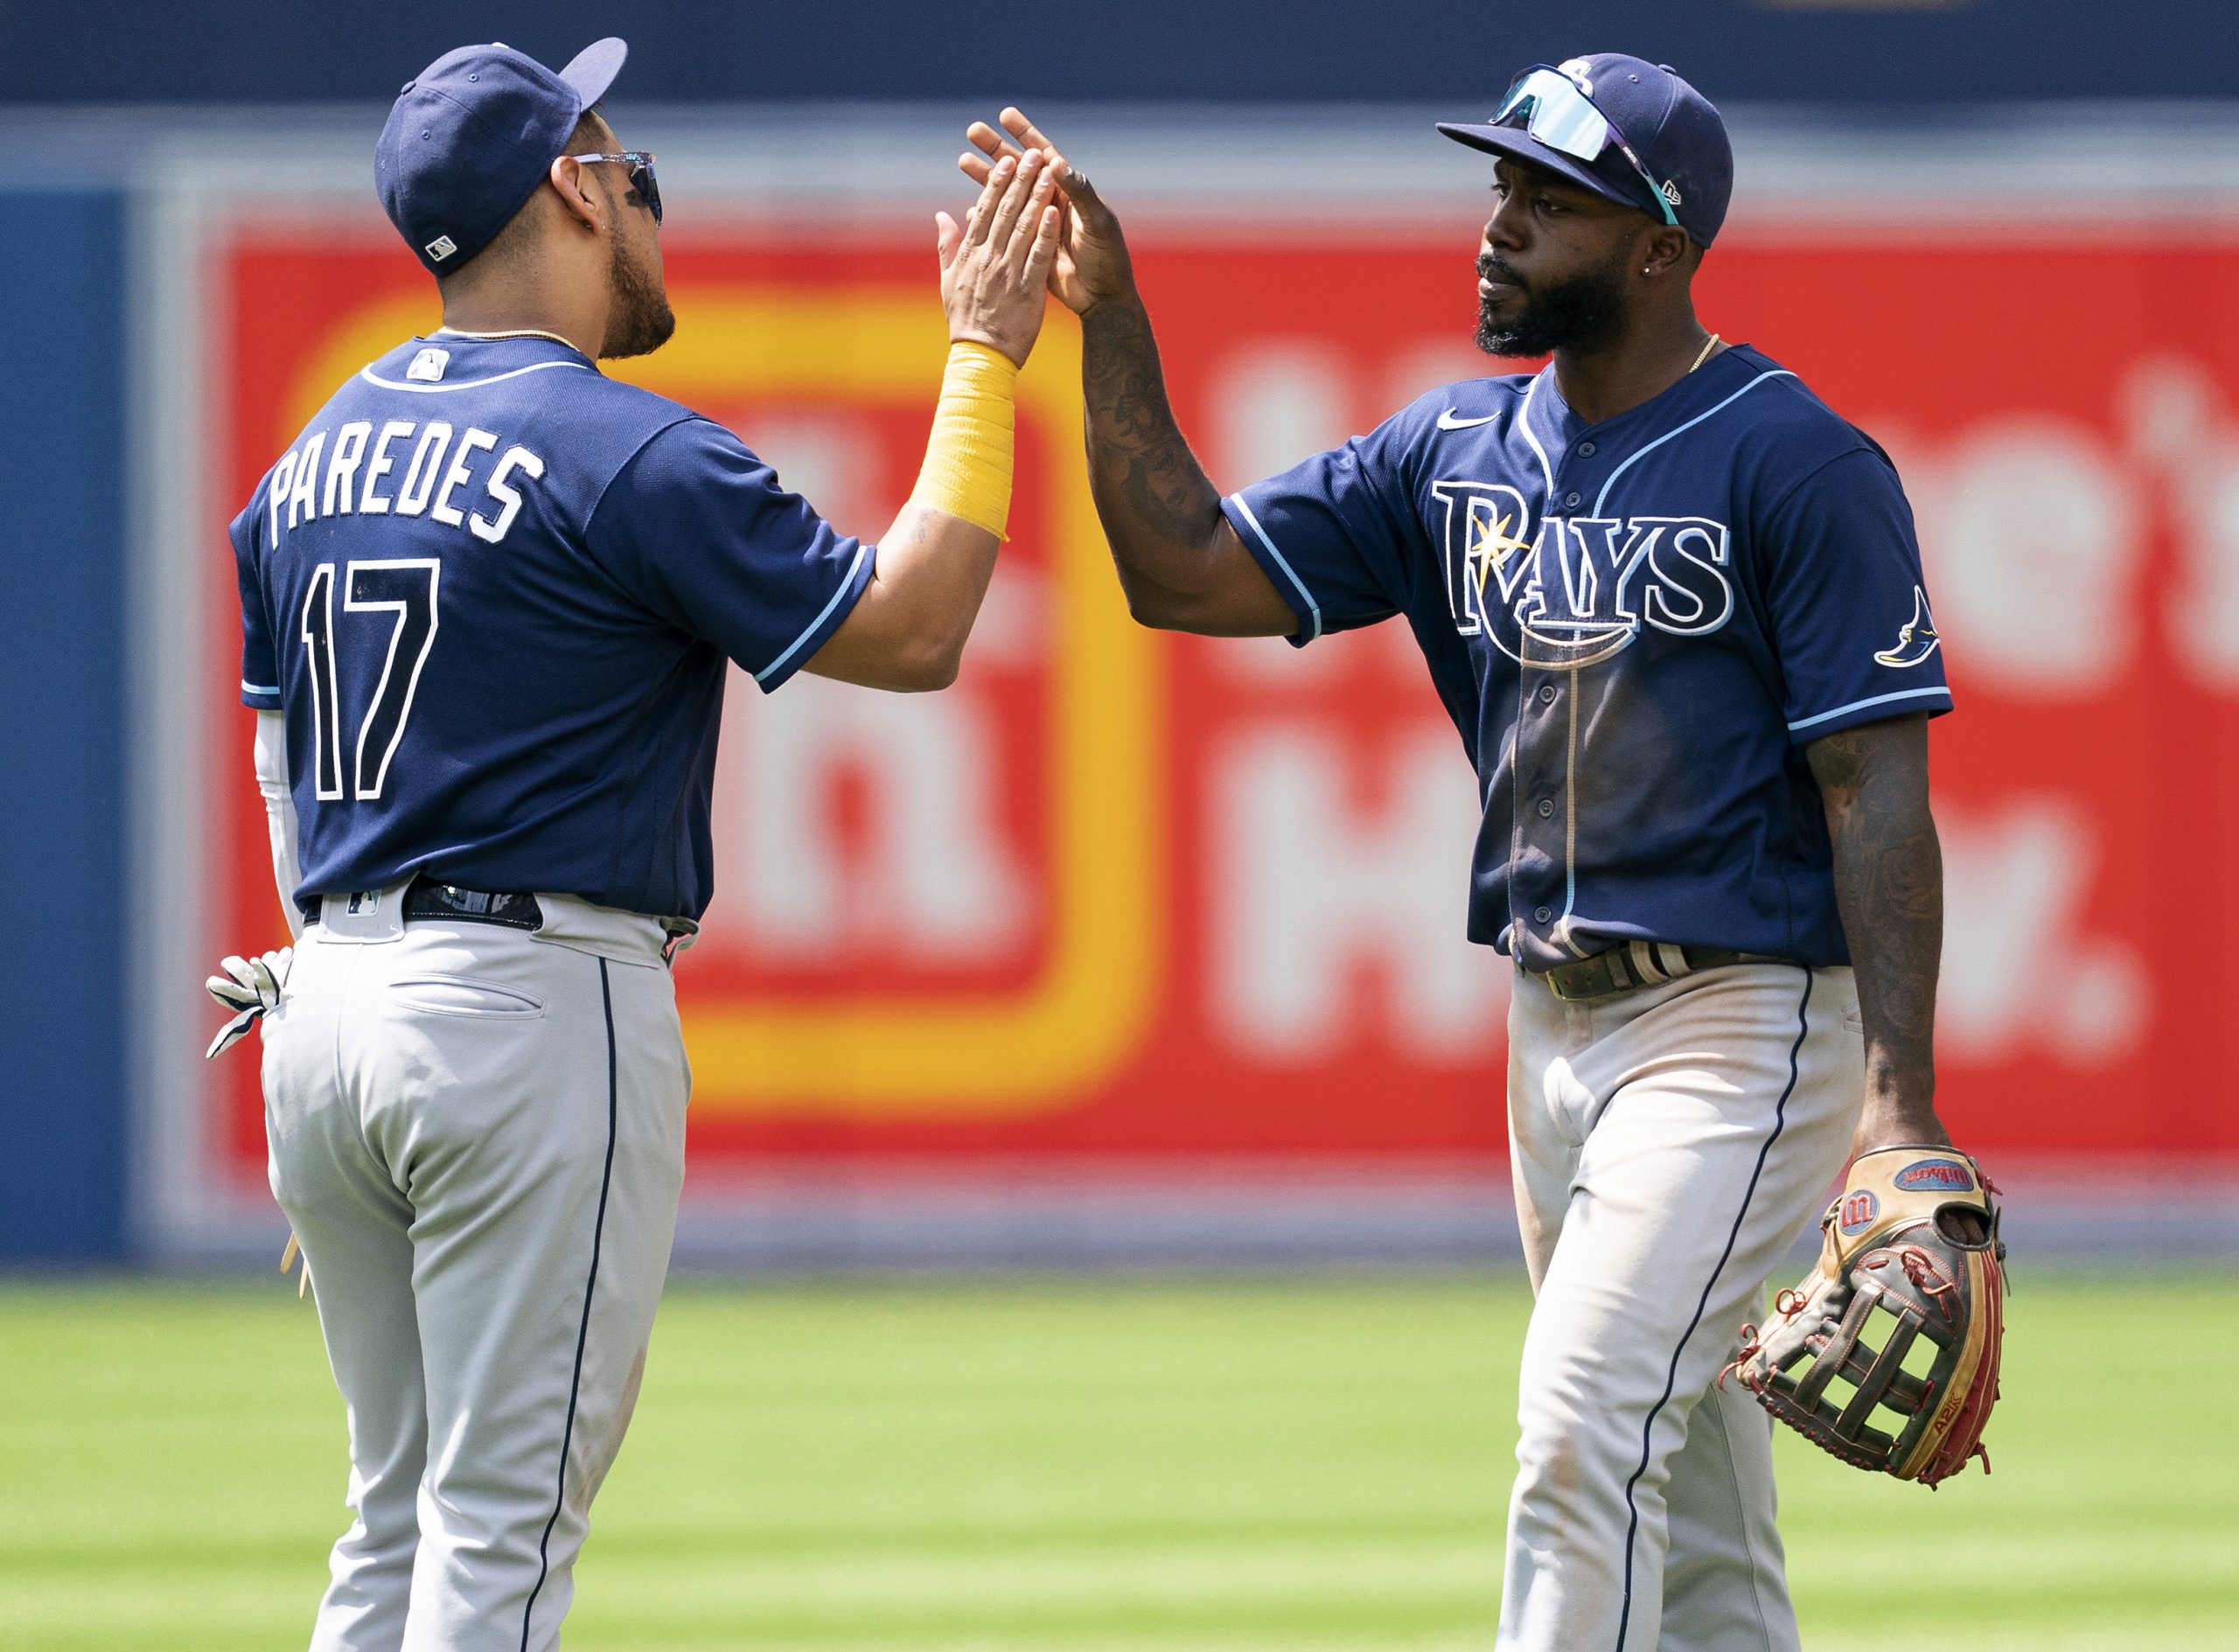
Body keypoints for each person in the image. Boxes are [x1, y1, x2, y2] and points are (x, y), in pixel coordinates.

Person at [963, 55, 1970, 1652]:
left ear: (1658, 242)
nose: (1498, 225)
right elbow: (1182, 570)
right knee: (1689, 1503)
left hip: (1739, 1027)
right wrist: (1116, 319)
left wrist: (1896, 1108)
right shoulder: (1453, 451)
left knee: (1578, 1422)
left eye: (1545, 198)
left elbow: (1875, 788)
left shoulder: (1797, 461)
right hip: (1550, 1033)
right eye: (1497, 186)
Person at [208, 36, 1061, 1651]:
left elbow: (277, 768)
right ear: (573, 187)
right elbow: (918, 625)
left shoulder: (302, 464)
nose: (641, 180)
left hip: (325, 1013)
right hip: (525, 1017)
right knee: (501, 1537)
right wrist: (982, 358)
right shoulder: (628, 449)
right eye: (619, 151)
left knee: (388, 1526)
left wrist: (333, 1015)